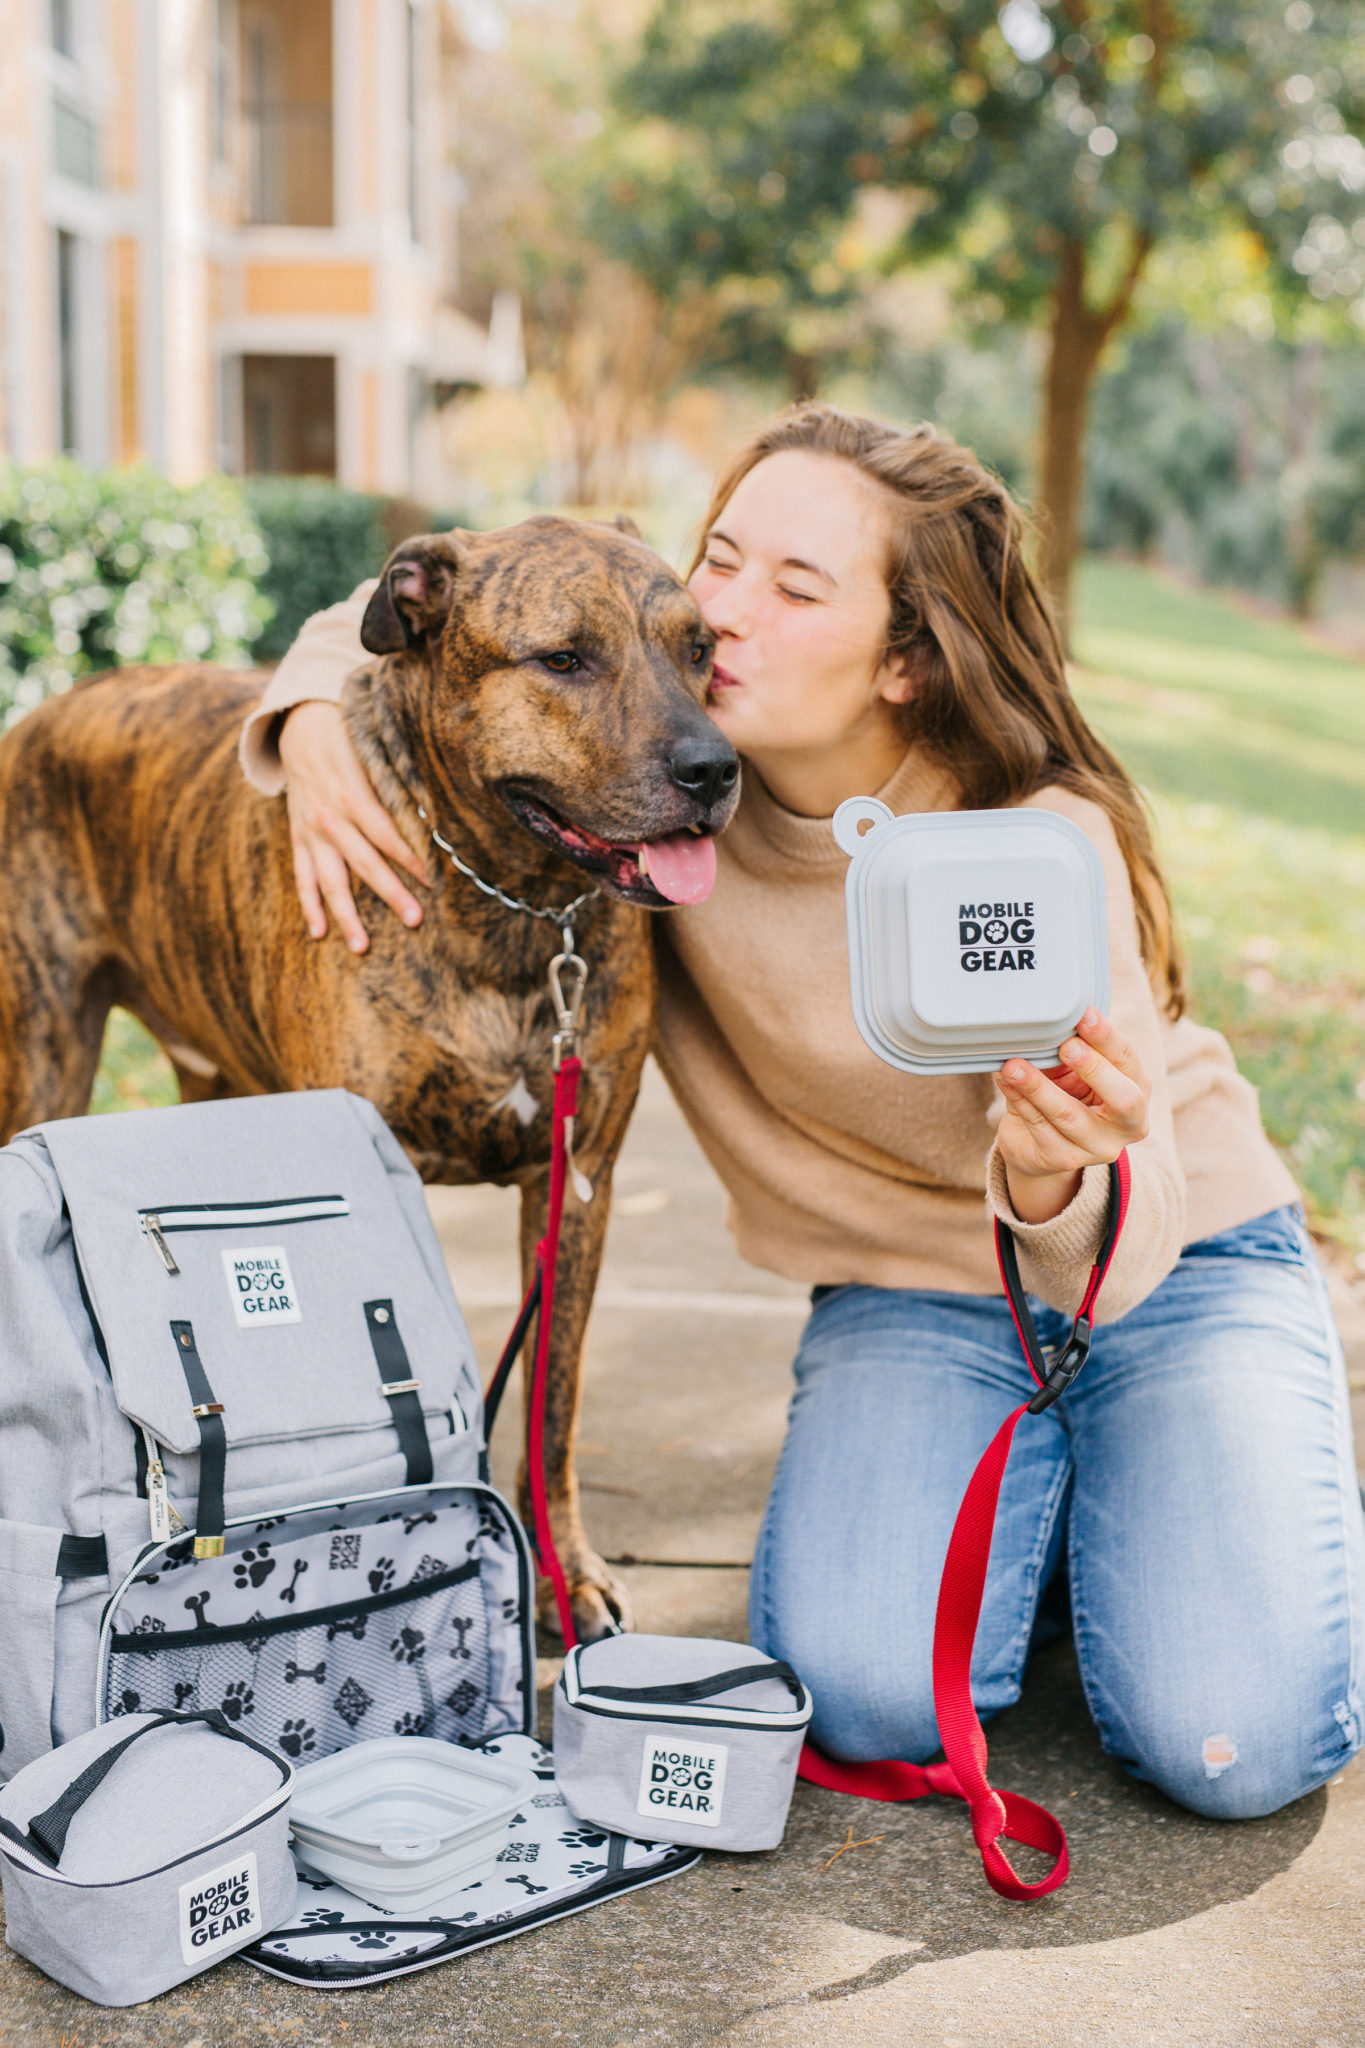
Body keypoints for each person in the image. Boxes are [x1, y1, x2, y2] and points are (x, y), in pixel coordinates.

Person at [239, 403, 1363, 1820]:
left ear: (904, 658)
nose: (720, 611)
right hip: (912, 1294)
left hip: (1164, 1271)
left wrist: (1048, 1175)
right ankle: (1094, 1506)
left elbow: (1122, 1247)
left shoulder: (1025, 839)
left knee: (1233, 1743)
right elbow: (458, 607)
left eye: (796, 586)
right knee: (864, 1696)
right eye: (719, 558)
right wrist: (306, 726)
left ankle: (1194, 1488)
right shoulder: (644, 794)